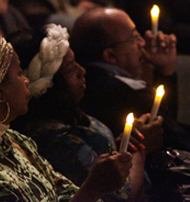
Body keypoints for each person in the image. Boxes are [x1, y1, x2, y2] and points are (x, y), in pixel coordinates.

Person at [0, 23, 133, 201]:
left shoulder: (13, 139)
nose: (27, 80)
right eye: (19, 73)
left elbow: (64, 194)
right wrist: (93, 188)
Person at [11, 23, 165, 201]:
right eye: (70, 70)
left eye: (76, 62)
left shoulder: (70, 114)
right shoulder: (55, 139)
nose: (82, 71)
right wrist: (140, 148)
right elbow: (120, 195)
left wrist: (125, 142)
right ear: (49, 87)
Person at [69, 7, 190, 151]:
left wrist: (164, 68)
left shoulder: (85, 82)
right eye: (134, 38)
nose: (143, 43)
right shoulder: (126, 92)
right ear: (110, 56)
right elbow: (178, 138)